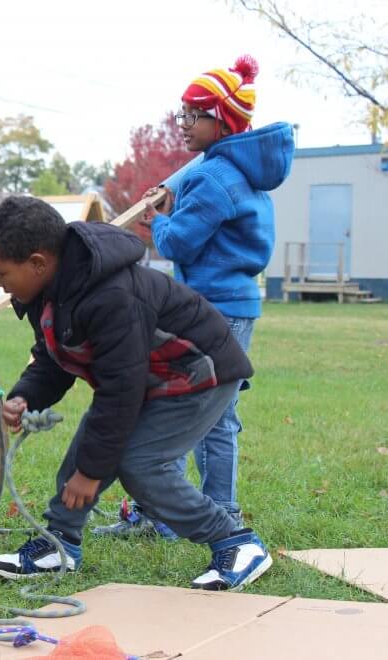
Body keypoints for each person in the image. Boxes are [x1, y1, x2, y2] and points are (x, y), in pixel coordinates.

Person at [0, 196, 272, 591]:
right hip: (147, 379)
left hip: (200, 374)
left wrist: (91, 473)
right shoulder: (47, 292)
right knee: (90, 447)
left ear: (37, 262)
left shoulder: (111, 297)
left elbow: (120, 392)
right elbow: (53, 357)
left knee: (141, 464)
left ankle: (236, 542)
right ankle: (59, 544)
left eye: (1, 274)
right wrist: (25, 396)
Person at [94, 55, 294, 539]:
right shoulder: (232, 172)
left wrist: (158, 217)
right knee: (193, 406)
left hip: (213, 309)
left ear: (219, 120)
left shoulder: (213, 177)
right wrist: (172, 201)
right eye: (181, 112)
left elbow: (180, 243)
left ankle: (210, 512)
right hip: (226, 304)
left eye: (192, 114)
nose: (182, 124)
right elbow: (204, 216)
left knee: (201, 411)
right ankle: (169, 510)